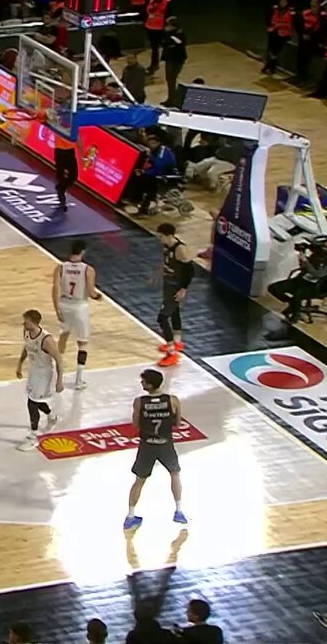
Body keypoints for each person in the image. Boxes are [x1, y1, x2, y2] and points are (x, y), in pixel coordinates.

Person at [124, 369, 186, 529]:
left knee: (139, 480)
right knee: (175, 474)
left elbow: (135, 424)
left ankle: (130, 516)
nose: (141, 383)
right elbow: (178, 423)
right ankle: (179, 511)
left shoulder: (139, 402)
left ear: (150, 385)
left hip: (147, 446)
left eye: (143, 381)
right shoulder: (173, 400)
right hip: (166, 444)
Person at [54, 240, 102, 389]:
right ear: (83, 252)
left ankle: (57, 374)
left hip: (64, 304)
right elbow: (91, 292)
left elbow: (55, 289)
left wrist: (57, 309)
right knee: (82, 343)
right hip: (80, 306)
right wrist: (98, 297)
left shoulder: (60, 267)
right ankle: (78, 380)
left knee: (63, 337)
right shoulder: (88, 269)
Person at [15, 309, 64, 452]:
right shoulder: (27, 333)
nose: (24, 324)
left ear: (34, 323)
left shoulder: (46, 339)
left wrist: (60, 380)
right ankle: (52, 416)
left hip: (44, 374)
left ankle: (33, 437)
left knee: (32, 403)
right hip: (34, 371)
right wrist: (20, 364)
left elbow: (59, 360)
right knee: (34, 400)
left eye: (26, 322)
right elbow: (27, 347)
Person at [266, 235, 327, 323]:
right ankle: (293, 304)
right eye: (323, 246)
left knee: (298, 295)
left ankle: (295, 316)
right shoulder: (318, 255)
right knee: (274, 288)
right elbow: (305, 267)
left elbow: (318, 274)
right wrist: (302, 259)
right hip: (302, 280)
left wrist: (306, 261)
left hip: (318, 286)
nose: (323, 248)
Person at [153, 223, 193, 367]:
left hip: (175, 287)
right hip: (168, 283)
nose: (159, 239)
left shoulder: (180, 249)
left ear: (169, 235)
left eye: (161, 237)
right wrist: (158, 274)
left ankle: (172, 353)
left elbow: (190, 270)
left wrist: (183, 289)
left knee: (162, 318)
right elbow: (166, 262)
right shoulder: (166, 246)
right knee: (175, 311)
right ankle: (177, 342)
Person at [296, 0, 327, 84]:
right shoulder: (304, 13)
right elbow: (298, 25)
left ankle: (304, 76)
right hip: (303, 39)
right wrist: (302, 34)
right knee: (300, 57)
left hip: (313, 41)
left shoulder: (323, 17)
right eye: (311, 6)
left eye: (314, 6)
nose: (312, 8)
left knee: (307, 59)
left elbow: (324, 31)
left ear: (318, 7)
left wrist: (315, 38)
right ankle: (299, 75)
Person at [262, 0, 294, 75]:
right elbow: (268, 17)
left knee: (274, 50)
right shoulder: (274, 9)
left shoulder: (291, 12)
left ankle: (269, 66)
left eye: (284, 1)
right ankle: (270, 66)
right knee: (272, 49)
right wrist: (270, 26)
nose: (283, 3)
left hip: (284, 34)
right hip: (274, 32)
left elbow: (290, 24)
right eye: (282, 1)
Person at [143, 0, 172, 74]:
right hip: (150, 28)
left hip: (160, 29)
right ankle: (154, 64)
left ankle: (163, 63)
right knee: (154, 48)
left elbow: (170, 16)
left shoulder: (167, 2)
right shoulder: (151, 1)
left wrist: (167, 27)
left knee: (162, 48)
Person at [160, 17, 187, 106]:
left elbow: (177, 43)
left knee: (171, 80)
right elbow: (164, 43)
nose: (166, 27)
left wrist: (170, 39)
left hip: (176, 60)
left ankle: (173, 100)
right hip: (170, 59)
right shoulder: (168, 34)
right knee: (170, 80)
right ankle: (171, 99)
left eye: (168, 25)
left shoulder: (179, 34)